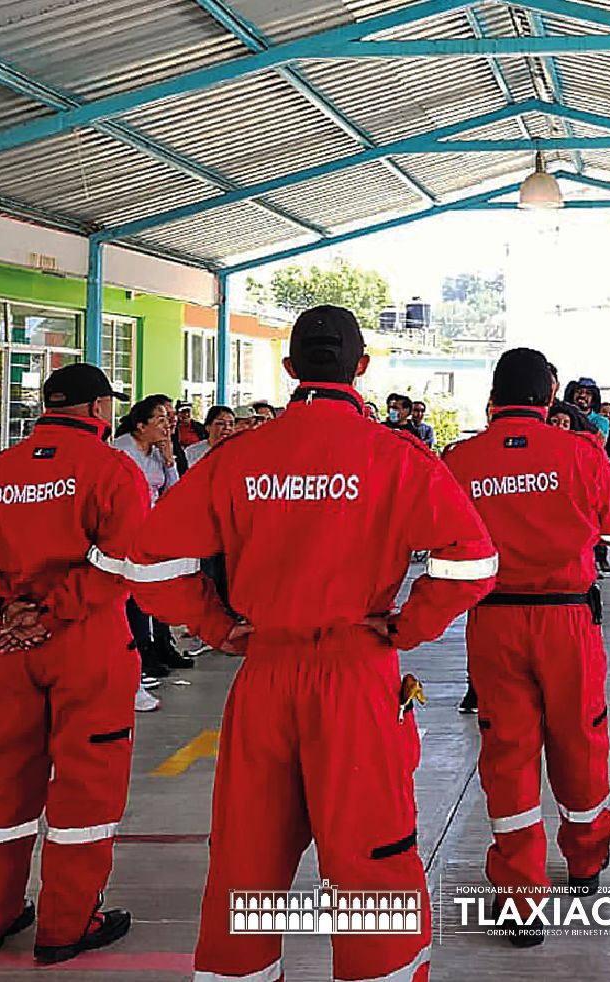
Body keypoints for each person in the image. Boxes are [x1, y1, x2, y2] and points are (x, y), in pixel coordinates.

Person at [126, 305, 497, 982]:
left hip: (264, 674)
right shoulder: (395, 456)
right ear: (360, 368)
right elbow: (472, 561)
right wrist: (409, 625)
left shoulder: (236, 457)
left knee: (248, 859)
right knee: (370, 861)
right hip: (356, 673)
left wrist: (214, 625)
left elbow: (147, 562)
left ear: (291, 370)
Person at [0, 363, 147, 964]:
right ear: (100, 409)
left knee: (5, 776)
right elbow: (122, 561)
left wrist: (5, 608)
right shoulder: (113, 471)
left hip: (9, 648)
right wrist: (54, 612)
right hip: (86, 643)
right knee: (86, 783)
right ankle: (67, 923)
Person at [442, 348, 610, 948]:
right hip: (567, 620)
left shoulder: (460, 461)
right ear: (549, 395)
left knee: (508, 751)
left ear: (493, 396)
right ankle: (585, 862)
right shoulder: (578, 454)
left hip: (494, 621)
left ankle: (521, 898)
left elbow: (436, 537)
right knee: (580, 739)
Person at [111, 395, 191, 697]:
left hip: (152, 534)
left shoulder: (159, 452)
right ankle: (136, 659)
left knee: (153, 594)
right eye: (160, 419)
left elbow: (175, 493)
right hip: (124, 535)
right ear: (140, 425)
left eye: (169, 418)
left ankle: (156, 649)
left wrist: (170, 459)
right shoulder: (120, 451)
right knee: (129, 599)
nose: (168, 424)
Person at [172, 401, 206, 473]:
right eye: (183, 412)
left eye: (188, 412)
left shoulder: (200, 428)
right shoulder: (173, 428)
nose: (186, 415)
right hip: (180, 463)